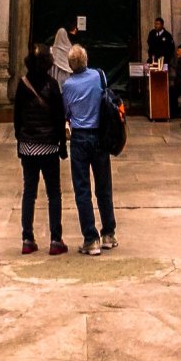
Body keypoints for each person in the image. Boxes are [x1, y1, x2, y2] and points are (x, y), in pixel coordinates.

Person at [12, 44, 68, 255]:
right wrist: (62, 146)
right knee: (54, 193)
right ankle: (55, 240)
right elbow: (59, 117)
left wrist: (21, 141)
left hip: (28, 146)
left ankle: (27, 238)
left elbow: (17, 118)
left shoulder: (22, 84)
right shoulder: (52, 85)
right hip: (48, 147)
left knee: (29, 192)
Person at [61, 50, 117, 253]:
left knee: (82, 189)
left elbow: (66, 112)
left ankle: (91, 239)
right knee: (104, 186)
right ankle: (108, 234)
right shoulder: (98, 75)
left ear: (69, 65)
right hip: (100, 136)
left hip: (79, 139)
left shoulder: (67, 86)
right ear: (87, 60)